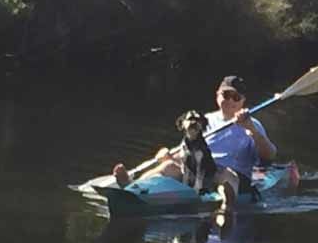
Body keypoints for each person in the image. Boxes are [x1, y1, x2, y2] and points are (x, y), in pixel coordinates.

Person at [113, 75, 277, 213]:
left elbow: (269, 155)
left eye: (236, 97)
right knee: (169, 166)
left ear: (243, 101)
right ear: (218, 95)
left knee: (227, 176)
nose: (230, 101)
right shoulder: (203, 120)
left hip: (229, 173)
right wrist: (167, 155)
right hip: (199, 169)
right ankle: (131, 187)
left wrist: (252, 131)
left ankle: (227, 207)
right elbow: (187, 149)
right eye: (226, 95)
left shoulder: (252, 123)